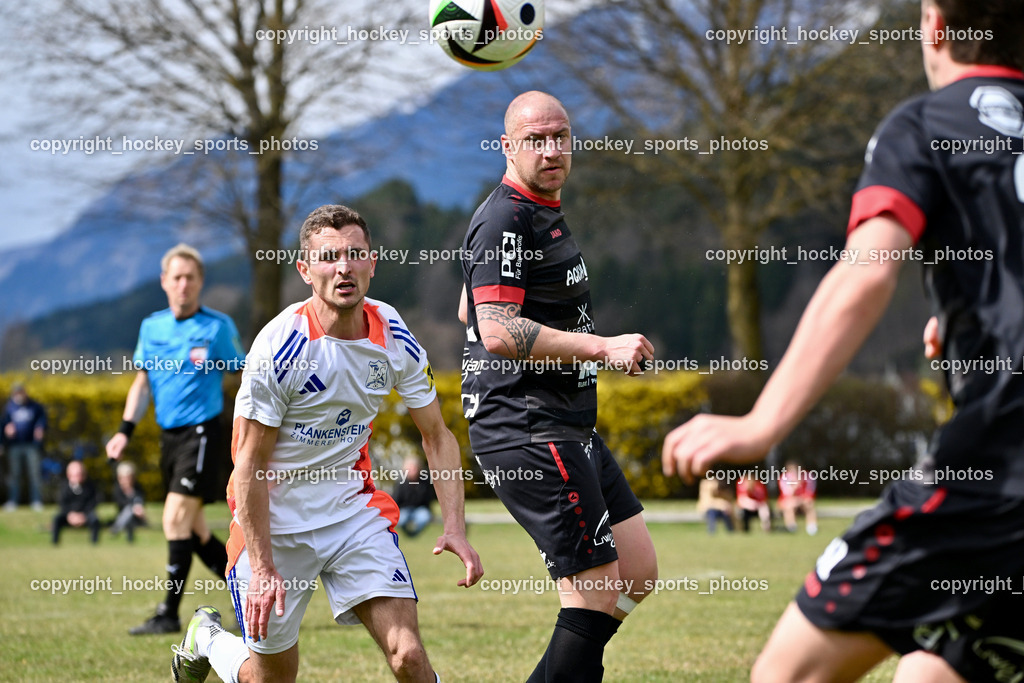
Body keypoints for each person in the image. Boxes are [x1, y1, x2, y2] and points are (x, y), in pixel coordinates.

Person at [663, 2, 1024, 680]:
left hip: (1000, 468)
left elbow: (865, 274)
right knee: (933, 670)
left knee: (785, 675)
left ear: (935, 25)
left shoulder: (926, 124)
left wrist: (759, 422)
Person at [170, 205, 483, 683]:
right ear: (305, 270)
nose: (344, 267)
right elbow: (248, 465)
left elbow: (437, 435)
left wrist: (455, 527)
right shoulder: (279, 347)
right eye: (330, 256)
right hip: (274, 525)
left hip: (351, 513)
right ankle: (208, 639)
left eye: (356, 254)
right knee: (271, 678)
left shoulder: (393, 333)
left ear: (372, 262)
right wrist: (266, 566)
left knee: (409, 657)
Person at [458, 90, 659, 682]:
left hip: (568, 421)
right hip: (526, 425)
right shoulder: (506, 215)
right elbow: (496, 333)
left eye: (560, 137)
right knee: (595, 592)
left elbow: (481, 307)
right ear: (507, 146)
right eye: (535, 140)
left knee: (637, 572)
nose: (551, 150)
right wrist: (603, 346)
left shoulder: (539, 210)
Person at [106, 243, 246, 635]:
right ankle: (250, 592)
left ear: (200, 282)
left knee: (173, 518)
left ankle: (168, 613)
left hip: (204, 434)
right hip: (168, 439)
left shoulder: (217, 328)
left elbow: (247, 372)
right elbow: (141, 384)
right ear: (164, 282)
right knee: (196, 530)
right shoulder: (151, 327)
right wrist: (123, 431)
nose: (183, 284)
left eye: (191, 277)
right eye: (177, 277)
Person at [2, 382, 47, 511]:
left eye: (20, 392)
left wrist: (40, 428)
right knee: (14, 475)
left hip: (31, 445)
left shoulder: (35, 406)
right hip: (14, 445)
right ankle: (13, 501)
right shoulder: (9, 407)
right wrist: (6, 429)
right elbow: (4, 423)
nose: (18, 395)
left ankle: (36, 501)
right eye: (16, 393)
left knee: (35, 474)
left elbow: (42, 420)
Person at [52, 460, 101, 545]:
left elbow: (93, 503)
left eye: (81, 474)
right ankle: (55, 544)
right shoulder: (64, 488)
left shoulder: (90, 487)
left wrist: (83, 515)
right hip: (69, 516)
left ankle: (94, 544)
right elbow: (62, 504)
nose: (79, 477)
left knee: (95, 520)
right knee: (57, 519)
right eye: (76, 475)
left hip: (85, 515)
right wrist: (70, 515)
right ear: (69, 475)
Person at [393, 457, 435, 538]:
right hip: (405, 509)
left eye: (414, 468)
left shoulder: (425, 481)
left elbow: (429, 498)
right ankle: (408, 534)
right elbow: (396, 499)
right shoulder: (401, 482)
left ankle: (414, 534)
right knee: (402, 519)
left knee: (424, 517)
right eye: (410, 468)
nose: (412, 471)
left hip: (420, 509)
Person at [110, 461, 148, 542]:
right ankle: (117, 528)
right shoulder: (117, 490)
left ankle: (116, 529)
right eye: (125, 477)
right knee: (129, 510)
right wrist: (134, 508)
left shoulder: (138, 488)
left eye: (129, 477)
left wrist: (138, 509)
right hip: (122, 517)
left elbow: (141, 501)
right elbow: (121, 503)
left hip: (137, 517)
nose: (127, 480)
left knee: (132, 510)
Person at [777, 461, 817, 535]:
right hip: (789, 501)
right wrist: (795, 486)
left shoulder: (808, 476)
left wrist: (800, 500)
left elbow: (810, 494)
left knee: (809, 504)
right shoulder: (785, 478)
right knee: (789, 505)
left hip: (802, 501)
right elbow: (787, 495)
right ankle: (791, 527)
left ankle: (811, 527)